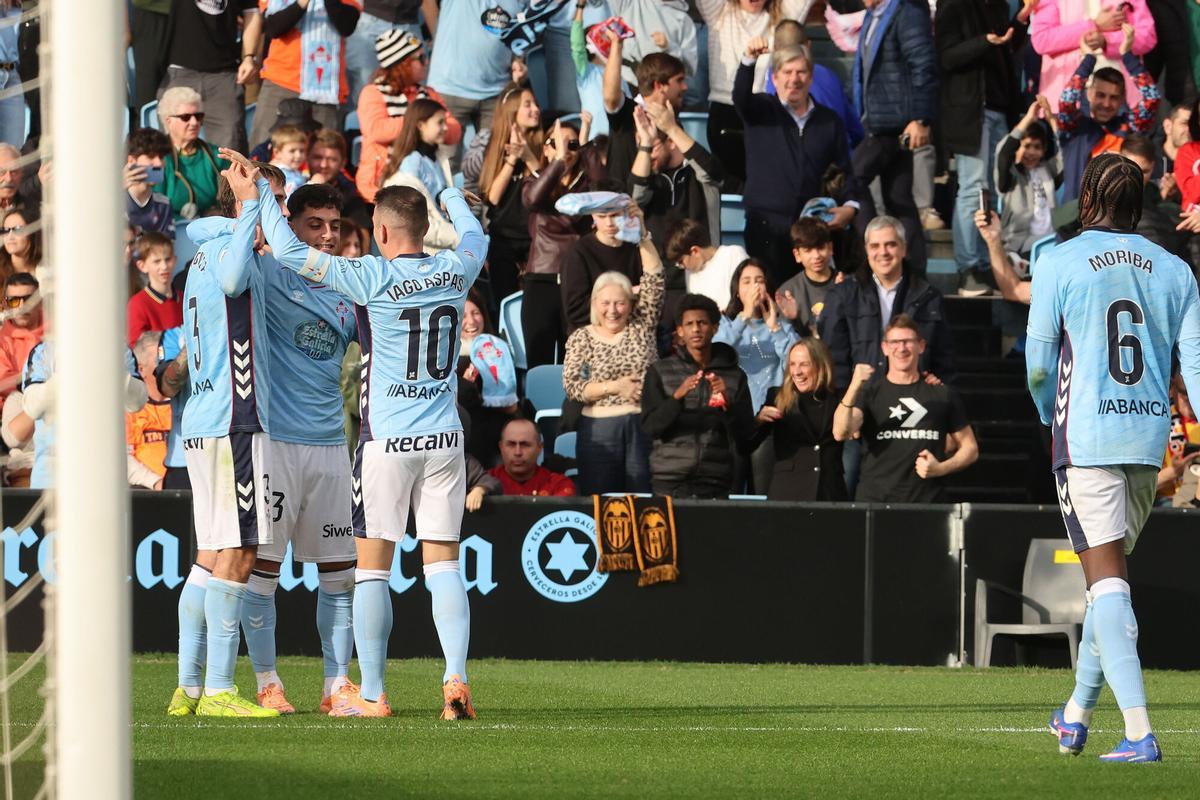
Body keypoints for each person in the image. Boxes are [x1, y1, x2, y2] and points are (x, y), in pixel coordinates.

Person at [226, 146, 486, 721]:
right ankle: (455, 679)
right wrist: (450, 199)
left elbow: (290, 251)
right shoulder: (459, 267)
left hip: (387, 441)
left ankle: (372, 693)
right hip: (445, 436)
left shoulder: (369, 275)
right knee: (444, 564)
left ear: (381, 230)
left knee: (372, 569)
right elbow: (475, 235)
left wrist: (260, 195)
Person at [1030, 152, 1200, 763]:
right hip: (1147, 441)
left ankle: (1138, 734)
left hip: (1088, 438)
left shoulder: (1058, 259)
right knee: (1111, 583)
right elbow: (1198, 370)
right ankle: (1074, 716)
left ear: (1089, 198)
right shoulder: (1176, 270)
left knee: (1106, 588)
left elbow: (1039, 363)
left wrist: (1050, 413)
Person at [186, 181, 359, 716]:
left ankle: (337, 685)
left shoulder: (347, 283)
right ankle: (264, 681)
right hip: (270, 439)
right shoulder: (262, 268)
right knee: (253, 569)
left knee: (340, 574)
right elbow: (215, 246)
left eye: (334, 226)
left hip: (331, 443)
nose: (326, 236)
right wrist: (246, 206)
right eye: (312, 224)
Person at [167, 160, 280, 718]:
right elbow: (237, 282)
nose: (275, 215)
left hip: (205, 422)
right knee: (240, 550)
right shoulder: (228, 248)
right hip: (233, 421)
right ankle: (218, 690)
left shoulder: (199, 254)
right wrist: (253, 203)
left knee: (209, 555)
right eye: (271, 202)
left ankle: (187, 687)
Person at [735, 38, 860, 284]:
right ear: (775, 78)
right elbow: (740, 98)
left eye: (801, 72)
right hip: (766, 225)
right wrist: (748, 60)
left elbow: (845, 171)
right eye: (787, 72)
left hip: (810, 229)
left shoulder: (828, 120)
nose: (794, 79)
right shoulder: (760, 111)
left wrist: (851, 207)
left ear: (811, 77)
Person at [935, 0, 1032, 296]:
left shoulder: (999, 7)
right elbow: (946, 56)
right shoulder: (953, 5)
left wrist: (1020, 20)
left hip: (1000, 108)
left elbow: (1005, 48)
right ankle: (968, 269)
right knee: (973, 187)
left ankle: (987, 263)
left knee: (991, 189)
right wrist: (983, 42)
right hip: (970, 111)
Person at [833, 314, 978, 503]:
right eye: (894, 342)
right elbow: (841, 432)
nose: (901, 348)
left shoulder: (942, 394)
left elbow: (970, 449)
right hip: (876, 503)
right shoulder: (869, 393)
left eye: (908, 341)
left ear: (921, 346)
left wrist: (940, 469)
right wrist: (854, 386)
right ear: (884, 348)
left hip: (928, 504)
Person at [563, 234, 665, 495]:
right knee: (603, 506)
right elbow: (574, 387)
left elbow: (654, 277)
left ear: (631, 304)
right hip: (599, 431)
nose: (613, 310)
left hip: (643, 426)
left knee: (643, 502)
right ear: (595, 304)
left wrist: (643, 235)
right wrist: (616, 387)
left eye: (620, 302)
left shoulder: (642, 327)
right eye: (605, 303)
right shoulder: (582, 337)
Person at [849, 0, 937, 274]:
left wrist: (921, 118)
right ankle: (914, 271)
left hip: (894, 123)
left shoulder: (906, 14)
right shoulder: (871, 16)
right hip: (877, 122)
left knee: (851, 180)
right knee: (898, 197)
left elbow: (924, 65)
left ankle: (870, 256)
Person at [819, 216, 955, 391]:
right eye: (875, 246)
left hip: (914, 399)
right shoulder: (842, 295)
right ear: (866, 250)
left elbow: (944, 358)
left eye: (890, 244)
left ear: (904, 249)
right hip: (861, 399)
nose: (883, 252)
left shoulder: (929, 297)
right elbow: (834, 359)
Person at [642, 293, 756, 497]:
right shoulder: (659, 371)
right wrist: (677, 398)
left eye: (702, 322)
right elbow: (650, 428)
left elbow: (745, 438)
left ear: (715, 328)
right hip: (669, 481)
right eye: (689, 324)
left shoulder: (734, 376)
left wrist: (727, 404)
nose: (695, 329)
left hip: (715, 480)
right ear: (680, 331)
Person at [695, 0, 815, 186]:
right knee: (731, 184)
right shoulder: (719, 12)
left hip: (763, 112)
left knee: (764, 183)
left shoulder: (781, 15)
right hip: (725, 110)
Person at [522, 119, 607, 368]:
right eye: (556, 143)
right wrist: (558, 161)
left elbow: (605, 194)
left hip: (578, 281)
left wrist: (587, 146)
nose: (566, 149)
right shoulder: (535, 180)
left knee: (577, 361)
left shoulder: (586, 185)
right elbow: (533, 200)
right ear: (546, 149)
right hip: (542, 280)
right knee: (540, 360)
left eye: (572, 144)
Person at [714, 258, 798, 492]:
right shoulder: (725, 324)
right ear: (737, 290)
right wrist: (745, 316)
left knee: (762, 494)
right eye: (747, 281)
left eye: (759, 281)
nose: (754, 287)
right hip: (734, 422)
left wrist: (775, 328)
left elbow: (797, 363)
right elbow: (718, 353)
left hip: (769, 423)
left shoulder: (781, 327)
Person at [355, 29, 461, 204]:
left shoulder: (428, 93)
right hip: (380, 185)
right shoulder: (372, 93)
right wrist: (420, 121)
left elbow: (454, 130)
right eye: (420, 58)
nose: (426, 62)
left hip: (425, 183)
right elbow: (376, 130)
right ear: (402, 64)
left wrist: (432, 125)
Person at [1057, 26, 1160, 203]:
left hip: (1120, 220)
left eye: (1113, 97)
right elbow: (1066, 101)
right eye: (1100, 95)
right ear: (1088, 94)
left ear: (1122, 100)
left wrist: (1127, 55)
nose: (1106, 103)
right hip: (1077, 223)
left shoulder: (1129, 127)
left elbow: (1152, 98)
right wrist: (1088, 60)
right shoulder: (1075, 127)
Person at [249, 0, 363, 151]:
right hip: (281, 81)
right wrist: (302, 3)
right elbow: (273, 28)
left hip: (325, 88)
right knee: (264, 149)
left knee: (325, 153)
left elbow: (347, 26)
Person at [156, 0, 261, 153]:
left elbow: (252, 12)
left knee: (230, 150)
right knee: (172, 148)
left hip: (224, 75)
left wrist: (249, 57)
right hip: (180, 71)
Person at [426, 0, 521, 160]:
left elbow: (521, 30)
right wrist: (440, 38)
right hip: (449, 89)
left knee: (494, 164)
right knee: (445, 164)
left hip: (497, 93)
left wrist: (518, 60)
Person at [754, 338, 847, 500]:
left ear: (820, 365)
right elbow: (747, 443)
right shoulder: (777, 397)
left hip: (829, 493)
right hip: (788, 492)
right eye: (792, 364)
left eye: (804, 364)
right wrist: (759, 421)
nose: (797, 372)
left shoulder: (840, 399)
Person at [475, 84, 543, 304]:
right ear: (512, 112)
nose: (535, 109)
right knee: (506, 301)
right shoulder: (495, 148)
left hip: (536, 238)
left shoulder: (543, 144)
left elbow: (548, 187)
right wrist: (513, 159)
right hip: (504, 241)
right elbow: (492, 197)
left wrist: (529, 157)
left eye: (535, 104)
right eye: (527, 105)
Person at [1029, 0, 1157, 114]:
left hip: (1119, 95)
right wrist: (1094, 25)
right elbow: (1042, 40)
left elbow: (1147, 37)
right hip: (1070, 98)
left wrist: (1107, 41)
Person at [630, 101, 722, 255]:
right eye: (641, 148)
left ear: (671, 142)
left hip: (703, 268)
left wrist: (671, 129)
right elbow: (635, 196)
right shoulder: (647, 175)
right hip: (659, 272)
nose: (646, 155)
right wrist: (646, 143)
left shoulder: (697, 172)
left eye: (651, 148)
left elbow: (711, 171)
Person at [601, 40, 688, 192]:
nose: (685, 87)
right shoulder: (628, 113)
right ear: (659, 86)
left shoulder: (673, 122)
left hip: (658, 213)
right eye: (679, 80)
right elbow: (610, 97)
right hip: (623, 210)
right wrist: (617, 45)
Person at [381, 98, 459, 251]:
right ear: (421, 125)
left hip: (446, 243)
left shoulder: (440, 157)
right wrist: (459, 236)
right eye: (439, 122)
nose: (445, 128)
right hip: (427, 251)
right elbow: (415, 221)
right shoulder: (411, 165)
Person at [561, 199, 645, 335]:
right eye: (602, 216)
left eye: (614, 216)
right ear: (593, 215)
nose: (609, 223)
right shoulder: (578, 253)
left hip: (631, 335)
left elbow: (653, 293)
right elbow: (574, 310)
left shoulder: (635, 249)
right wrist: (625, 294)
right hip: (591, 339)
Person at [457, 288, 520, 467]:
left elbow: (511, 406)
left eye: (476, 313)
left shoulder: (498, 351)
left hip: (495, 429)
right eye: (463, 315)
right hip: (462, 434)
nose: (471, 321)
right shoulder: (444, 357)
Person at [994, 97, 1063, 259]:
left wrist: (1052, 121)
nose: (1031, 152)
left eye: (1037, 147)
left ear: (1044, 149)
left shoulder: (1048, 171)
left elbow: (1066, 152)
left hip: (1050, 239)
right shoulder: (1011, 175)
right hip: (1018, 245)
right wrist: (1027, 119)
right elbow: (1003, 154)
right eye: (1026, 146)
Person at [158, 86, 231, 219]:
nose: (194, 122)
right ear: (169, 121)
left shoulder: (216, 155)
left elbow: (233, 198)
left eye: (198, 116)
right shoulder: (157, 158)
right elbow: (152, 207)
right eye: (186, 117)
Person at [344, 0, 439, 102]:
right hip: (369, 20)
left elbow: (429, 2)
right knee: (361, 92)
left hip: (410, 23)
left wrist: (439, 41)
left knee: (419, 94)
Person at [665, 217, 747, 312]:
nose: (681, 266)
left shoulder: (733, 255)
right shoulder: (691, 273)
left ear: (695, 251)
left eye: (680, 261)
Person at [777, 217, 841, 336]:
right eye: (808, 250)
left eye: (821, 248)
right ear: (797, 255)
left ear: (830, 248)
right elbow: (783, 340)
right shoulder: (788, 292)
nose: (816, 255)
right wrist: (792, 318)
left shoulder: (846, 284)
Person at [486, 418, 578, 497]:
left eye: (525, 445)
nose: (517, 452)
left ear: (540, 448)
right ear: (501, 447)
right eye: (511, 444)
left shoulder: (559, 485)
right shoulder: (483, 483)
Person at [127, 331, 172, 490]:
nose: (166, 365)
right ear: (141, 369)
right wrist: (155, 482)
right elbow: (122, 459)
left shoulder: (181, 406)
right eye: (159, 361)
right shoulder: (131, 410)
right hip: (145, 493)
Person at [126, 231, 181, 347]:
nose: (164, 266)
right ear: (142, 266)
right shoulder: (137, 304)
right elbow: (137, 350)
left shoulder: (185, 298)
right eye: (157, 261)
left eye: (168, 259)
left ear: (175, 260)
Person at [308, 128, 371, 227]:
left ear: (343, 163)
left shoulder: (351, 197)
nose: (324, 165)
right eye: (318, 157)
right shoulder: (292, 186)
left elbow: (362, 236)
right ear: (307, 158)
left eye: (332, 159)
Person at [124, 127, 174, 237]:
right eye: (151, 156)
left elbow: (165, 249)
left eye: (161, 157)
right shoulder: (112, 202)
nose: (159, 163)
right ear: (131, 161)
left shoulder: (164, 204)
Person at [0, 272, 42, 399]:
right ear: (5, 304)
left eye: (28, 299)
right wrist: (35, 375)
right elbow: (3, 385)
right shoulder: (2, 341)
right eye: (14, 301)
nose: (22, 307)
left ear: (40, 301)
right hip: (18, 400)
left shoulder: (59, 330)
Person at [0, 206, 40, 281]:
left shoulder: (46, 269)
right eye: (5, 230)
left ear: (32, 233)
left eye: (18, 230)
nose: (10, 236)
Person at [268, 125, 310, 196]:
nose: (298, 155)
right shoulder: (278, 174)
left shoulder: (293, 171)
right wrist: (312, 184)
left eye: (302, 151)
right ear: (277, 153)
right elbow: (289, 198)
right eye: (292, 151)